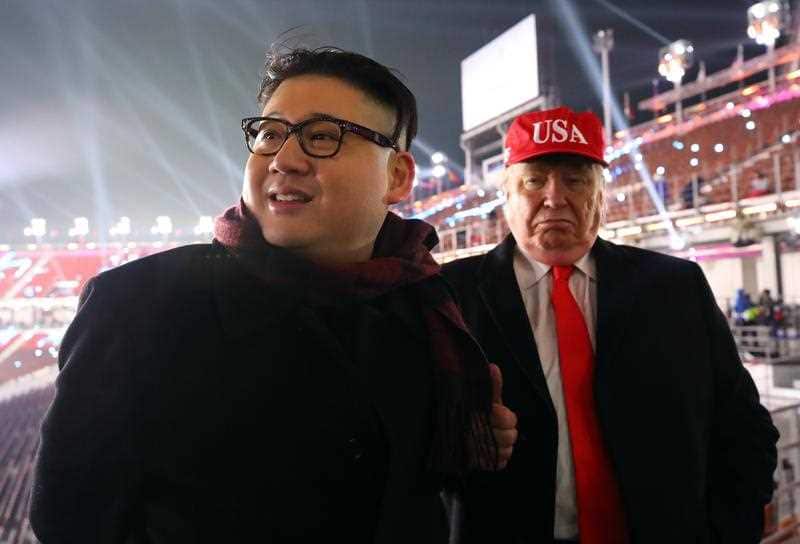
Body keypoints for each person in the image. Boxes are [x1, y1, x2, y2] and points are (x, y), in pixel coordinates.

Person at [30, 46, 517, 543]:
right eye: (269, 134)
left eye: (323, 136)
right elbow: (71, 520)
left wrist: (474, 441)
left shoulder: (427, 306)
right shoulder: (135, 306)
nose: (284, 159)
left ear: (397, 176)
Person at [443, 106, 779, 543]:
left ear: (601, 194)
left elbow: (743, 426)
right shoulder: (450, 295)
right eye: (534, 180)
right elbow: (403, 437)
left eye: (575, 180)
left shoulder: (676, 288)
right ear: (506, 193)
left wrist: (729, 531)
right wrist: (455, 438)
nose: (554, 197)